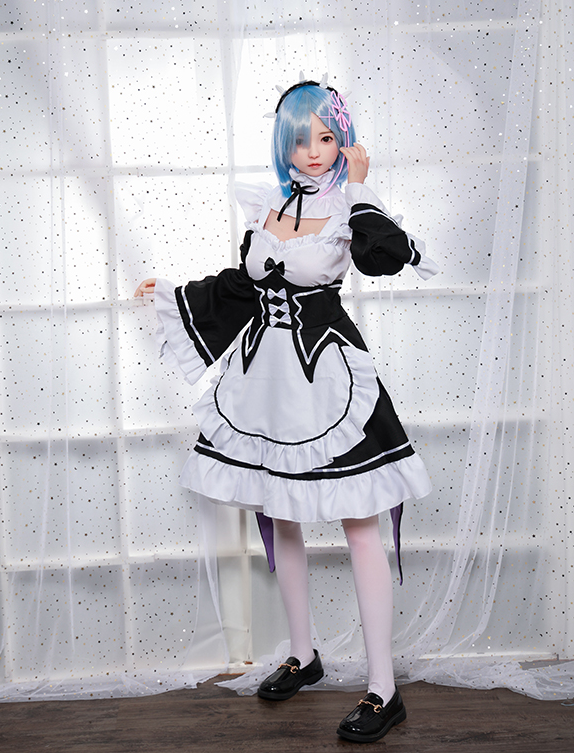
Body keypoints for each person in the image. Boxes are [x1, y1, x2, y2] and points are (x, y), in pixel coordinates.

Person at [134, 78, 438, 743]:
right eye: (301, 140)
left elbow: (383, 259)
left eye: (326, 138)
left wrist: (361, 188)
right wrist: (172, 295)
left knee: (360, 522)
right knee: (277, 512)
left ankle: (383, 689)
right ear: (285, 144)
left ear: (343, 141)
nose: (313, 151)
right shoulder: (269, 206)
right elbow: (244, 287)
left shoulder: (350, 205)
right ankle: (303, 655)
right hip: (263, 382)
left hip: (327, 380)